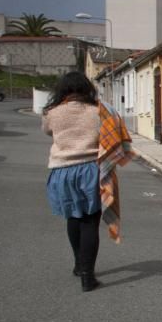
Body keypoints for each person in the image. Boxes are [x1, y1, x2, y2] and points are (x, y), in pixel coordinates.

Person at [42, 72, 105, 292]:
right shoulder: (98, 111)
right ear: (86, 88)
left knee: (73, 216)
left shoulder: (52, 112)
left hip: (61, 171)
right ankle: (88, 276)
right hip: (90, 169)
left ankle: (79, 264)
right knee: (90, 221)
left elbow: (47, 131)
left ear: (63, 90)